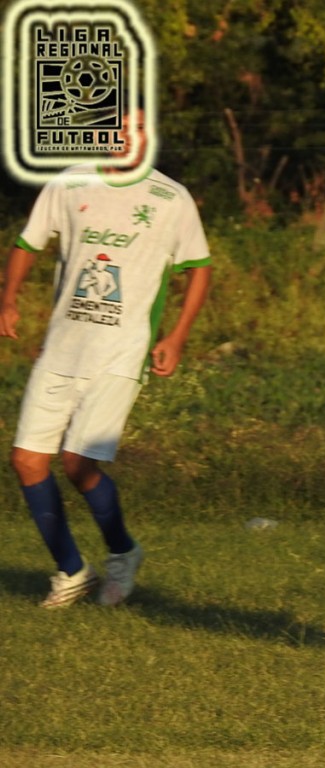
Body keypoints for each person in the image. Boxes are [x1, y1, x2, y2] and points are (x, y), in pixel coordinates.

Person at [0, 108, 212, 608]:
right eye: (116, 127)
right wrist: (8, 298)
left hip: (123, 350)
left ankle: (122, 552)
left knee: (78, 462)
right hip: (61, 346)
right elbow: (28, 242)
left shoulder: (170, 198)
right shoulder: (69, 183)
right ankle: (72, 571)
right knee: (27, 460)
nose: (125, 137)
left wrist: (177, 336)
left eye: (136, 128)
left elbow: (199, 268)